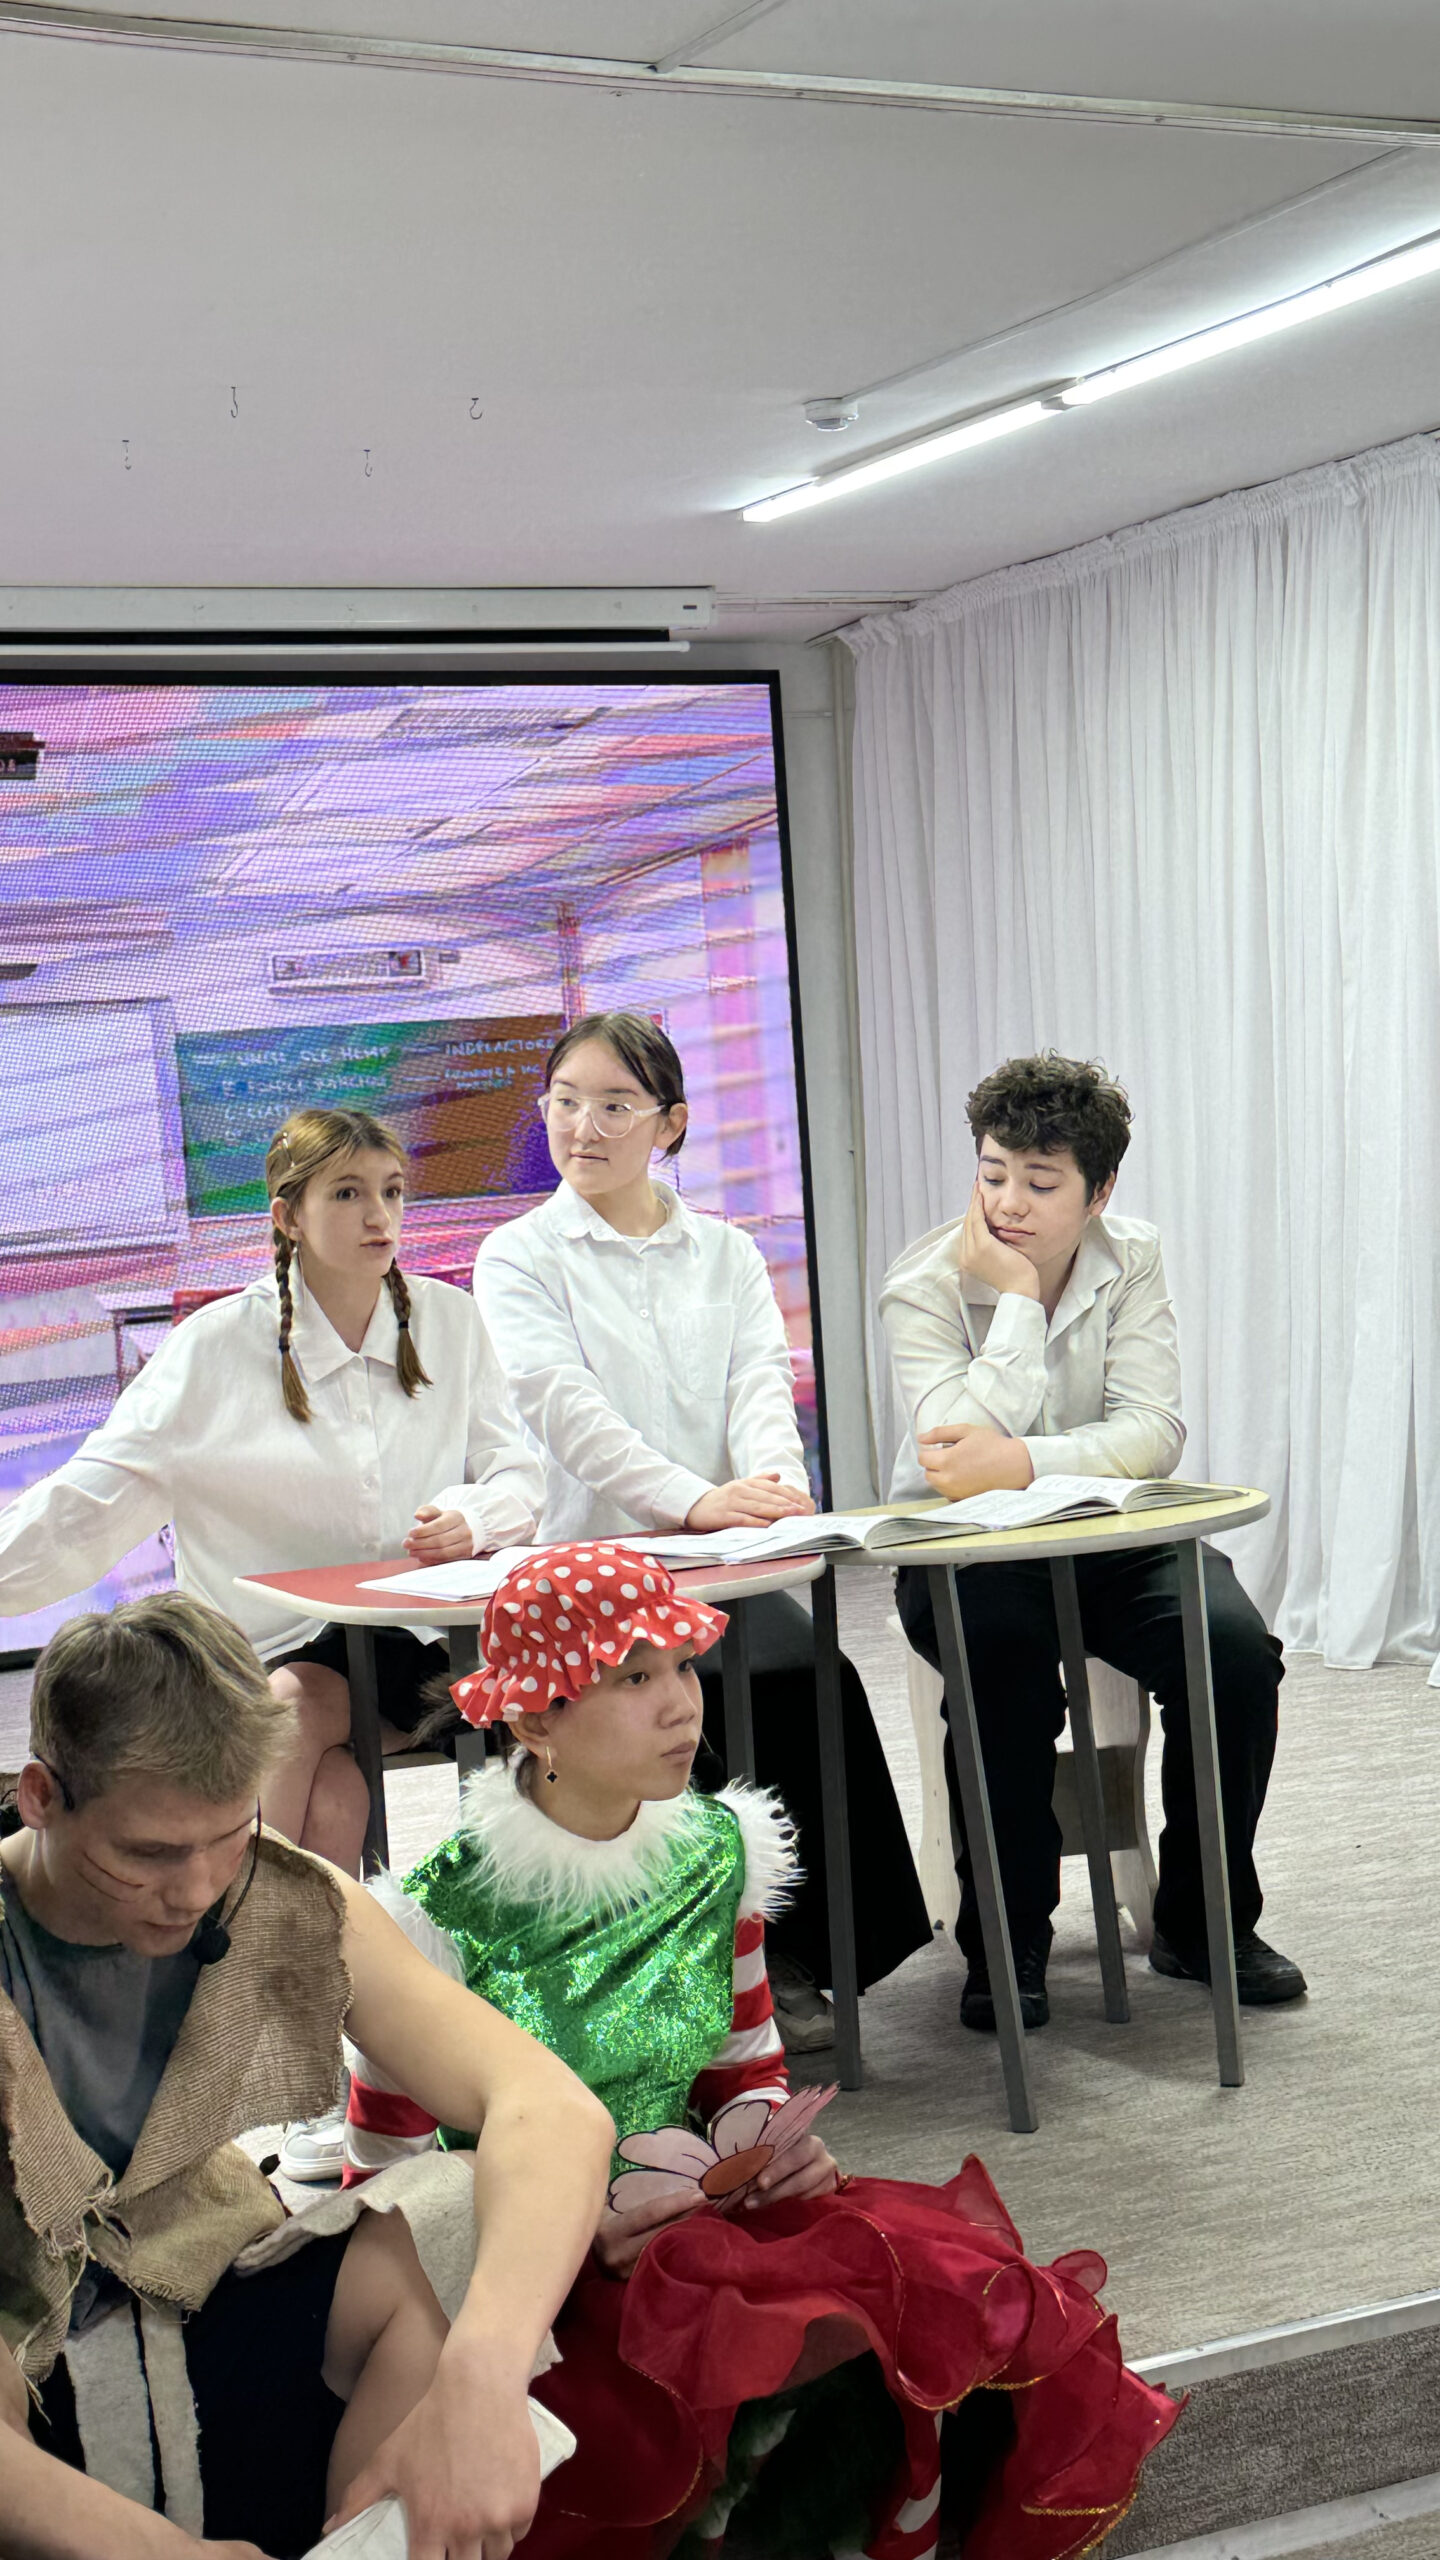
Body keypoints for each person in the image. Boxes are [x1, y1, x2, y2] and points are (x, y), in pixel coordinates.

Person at [341, 1546, 1180, 2560]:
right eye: (633, 1679)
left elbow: (744, 2064)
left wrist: (769, 2148)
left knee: (929, 2307)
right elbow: (389, 2190)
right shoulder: (439, 1916)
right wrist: (558, 2232)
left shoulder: (716, 1849)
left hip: (692, 2218)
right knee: (646, 2445)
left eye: (683, 1668)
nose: (680, 1706)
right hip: (522, 2276)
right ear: (534, 1723)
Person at [0, 1588, 613, 2560]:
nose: (197, 1890)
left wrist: (481, 2380)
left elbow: (551, 2110)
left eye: (228, 1836)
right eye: (149, 1852)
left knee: (458, 2211)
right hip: (28, 2374)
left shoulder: (275, 1889)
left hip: (197, 2295)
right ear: (40, 1796)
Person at [0, 1105, 544, 2177]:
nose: (380, 1214)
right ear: (287, 1215)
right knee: (329, 1793)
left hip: (405, 1649)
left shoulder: (449, 1321)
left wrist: (473, 1516)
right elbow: (91, 1500)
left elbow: (519, 1473)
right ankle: (319, 2072)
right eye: (348, 1193)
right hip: (247, 1664)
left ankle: (224, 2016)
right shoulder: (214, 1348)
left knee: (301, 1708)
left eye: (392, 1190)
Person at [473, 1011, 930, 2051]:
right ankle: (687, 1967)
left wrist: (773, 1489)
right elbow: (565, 1410)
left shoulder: (724, 1251)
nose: (583, 1127)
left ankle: (801, 1952)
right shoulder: (518, 1255)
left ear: (669, 1124)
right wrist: (692, 1500)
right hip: (582, 1573)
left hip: (711, 1559)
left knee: (806, 1674)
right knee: (689, 1694)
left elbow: (760, 1383)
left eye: (614, 1105)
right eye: (565, 1102)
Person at [880, 1051, 1303, 2033]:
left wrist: (1022, 1460)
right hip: (964, 1549)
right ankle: (1009, 1940)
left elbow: (1153, 1433)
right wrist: (1017, 1303)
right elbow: (951, 1459)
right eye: (992, 1173)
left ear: (1099, 1191)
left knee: (1235, 1654)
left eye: (1040, 1182)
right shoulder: (924, 1282)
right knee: (1004, 1669)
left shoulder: (1132, 1256)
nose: (1007, 1203)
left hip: (1114, 1533)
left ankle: (1202, 1922)